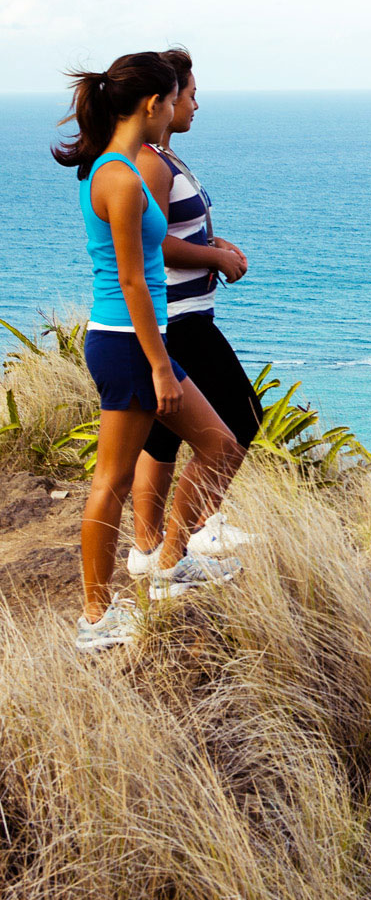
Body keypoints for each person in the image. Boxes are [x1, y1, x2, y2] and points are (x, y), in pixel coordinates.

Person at [54, 52, 246, 652]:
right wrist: (161, 365)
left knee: (221, 444)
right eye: (172, 98)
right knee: (109, 481)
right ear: (152, 104)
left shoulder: (117, 168)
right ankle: (95, 617)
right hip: (127, 344)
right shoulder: (115, 174)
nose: (177, 107)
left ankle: (168, 562)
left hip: (138, 342)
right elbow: (134, 280)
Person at [129, 47, 260, 566]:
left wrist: (216, 243)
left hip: (185, 314)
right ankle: (191, 536)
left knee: (162, 438)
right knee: (242, 417)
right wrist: (214, 257)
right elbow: (155, 243)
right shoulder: (149, 164)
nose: (196, 106)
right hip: (180, 318)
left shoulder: (165, 159)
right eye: (192, 95)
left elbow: (175, 228)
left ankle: (147, 547)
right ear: (165, 99)